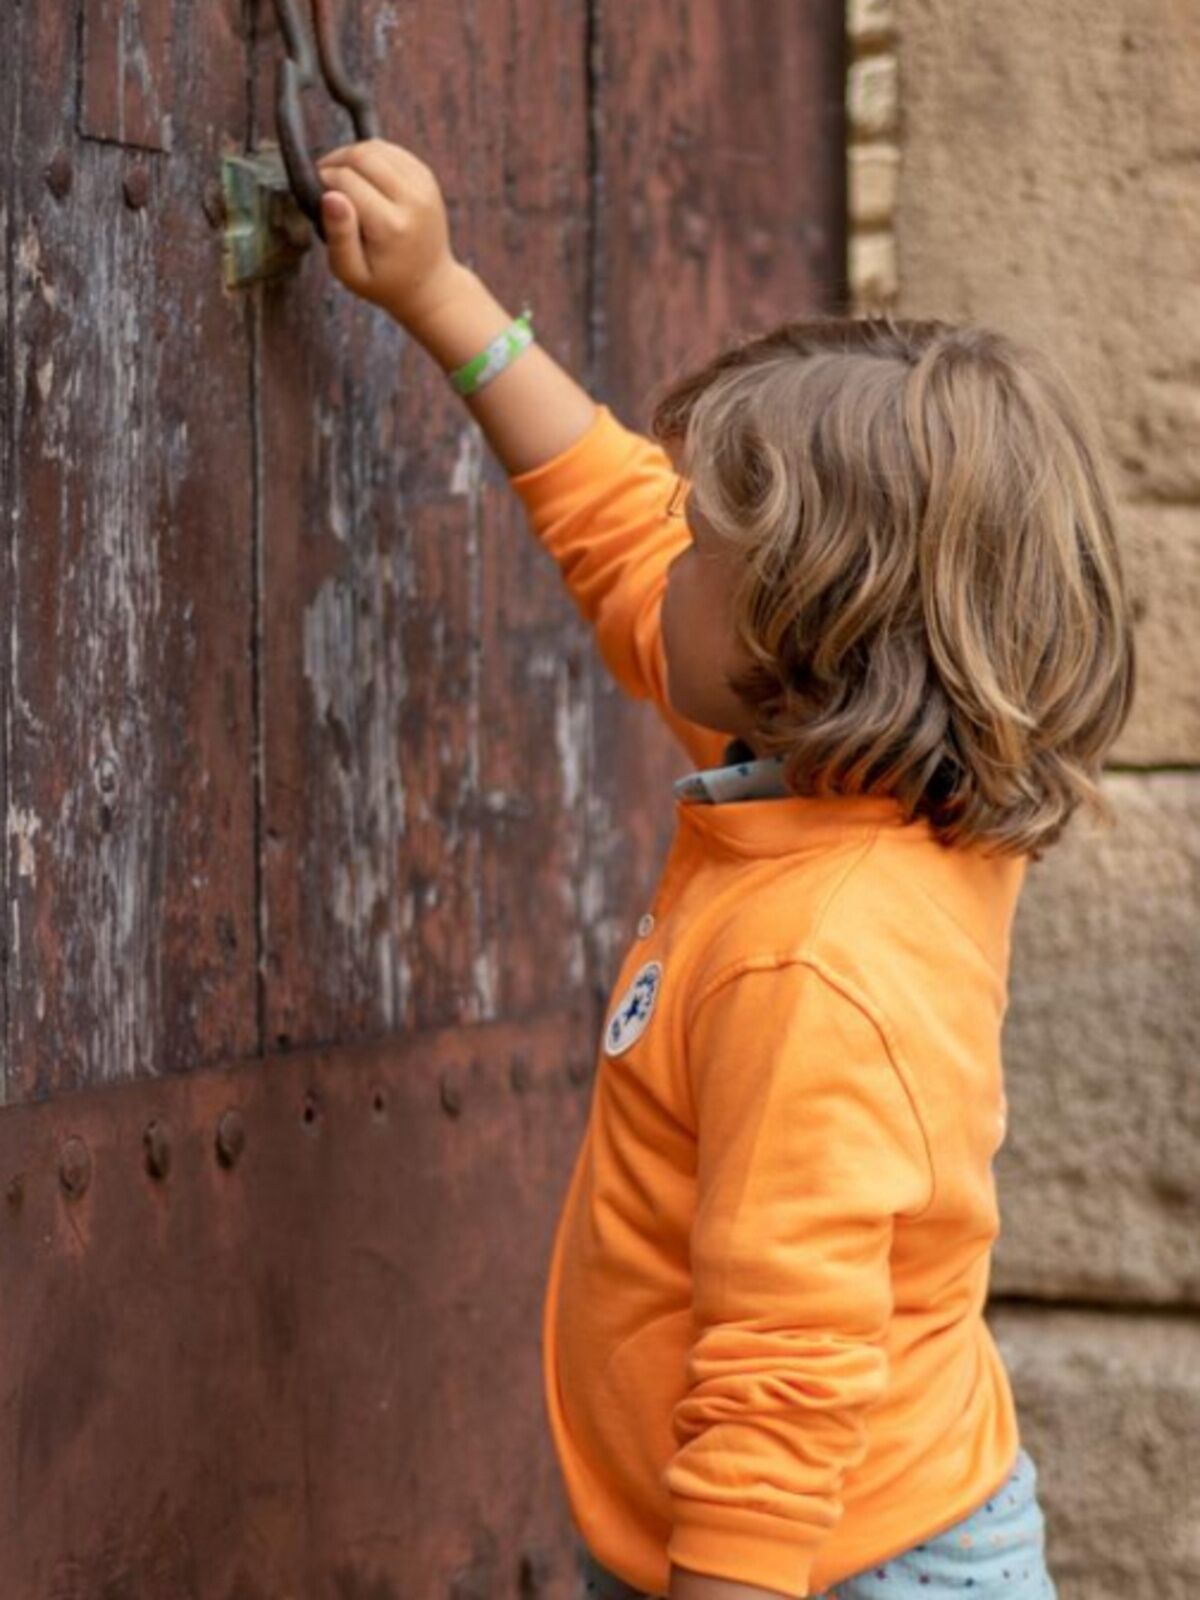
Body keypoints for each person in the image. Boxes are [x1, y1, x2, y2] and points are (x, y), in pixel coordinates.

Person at [313, 139, 1135, 1600]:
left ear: (803, 631)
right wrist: (445, 297)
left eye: (709, 547)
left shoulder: (813, 958)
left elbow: (785, 1379)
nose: (669, 555)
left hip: (823, 1569)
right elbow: (620, 527)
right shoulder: (867, 773)